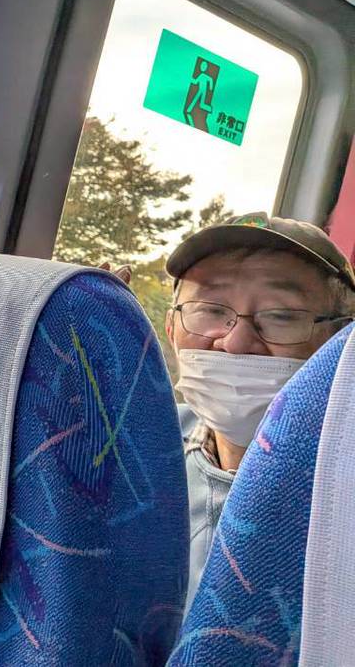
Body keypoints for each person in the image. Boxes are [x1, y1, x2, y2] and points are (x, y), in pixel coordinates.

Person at [164, 212, 355, 603]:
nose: (235, 344)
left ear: (341, 341)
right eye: (210, 310)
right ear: (171, 329)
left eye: (281, 316)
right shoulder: (130, 450)